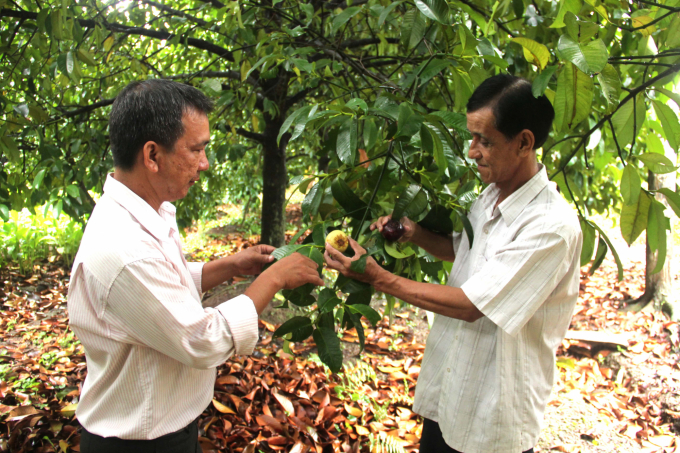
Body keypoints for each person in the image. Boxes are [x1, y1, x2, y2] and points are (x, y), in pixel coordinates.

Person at [324, 74, 583, 453]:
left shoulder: (550, 227)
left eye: (485, 140)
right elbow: (465, 250)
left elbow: (472, 306)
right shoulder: (492, 194)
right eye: (472, 137)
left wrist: (377, 277)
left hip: (492, 417)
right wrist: (413, 233)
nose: (472, 151)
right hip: (452, 393)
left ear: (524, 142)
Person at [68, 79, 324, 453]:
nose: (204, 163)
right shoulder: (125, 250)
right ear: (152, 156)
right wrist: (274, 279)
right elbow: (202, 340)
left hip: (164, 426)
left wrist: (231, 265)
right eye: (197, 149)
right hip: (140, 441)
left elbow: (162, 284)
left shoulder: (143, 211)